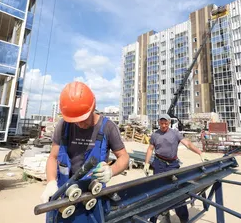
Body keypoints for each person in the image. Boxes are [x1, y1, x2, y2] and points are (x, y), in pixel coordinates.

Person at [40, 81, 129, 222]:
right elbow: (53, 157)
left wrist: (111, 171)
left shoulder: (108, 128)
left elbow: (124, 157)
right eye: (76, 120)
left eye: (83, 118)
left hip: (92, 196)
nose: (80, 124)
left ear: (93, 107)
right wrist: (51, 182)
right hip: (64, 194)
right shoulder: (63, 125)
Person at [144, 114, 208, 223]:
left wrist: (200, 153)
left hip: (173, 164)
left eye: (165, 123)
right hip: (159, 164)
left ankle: (184, 219)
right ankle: (155, 218)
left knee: (177, 192)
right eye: (161, 123)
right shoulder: (155, 135)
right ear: (159, 123)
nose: (163, 125)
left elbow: (187, 143)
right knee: (157, 192)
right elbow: (150, 149)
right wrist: (146, 163)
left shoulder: (175, 133)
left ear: (169, 123)